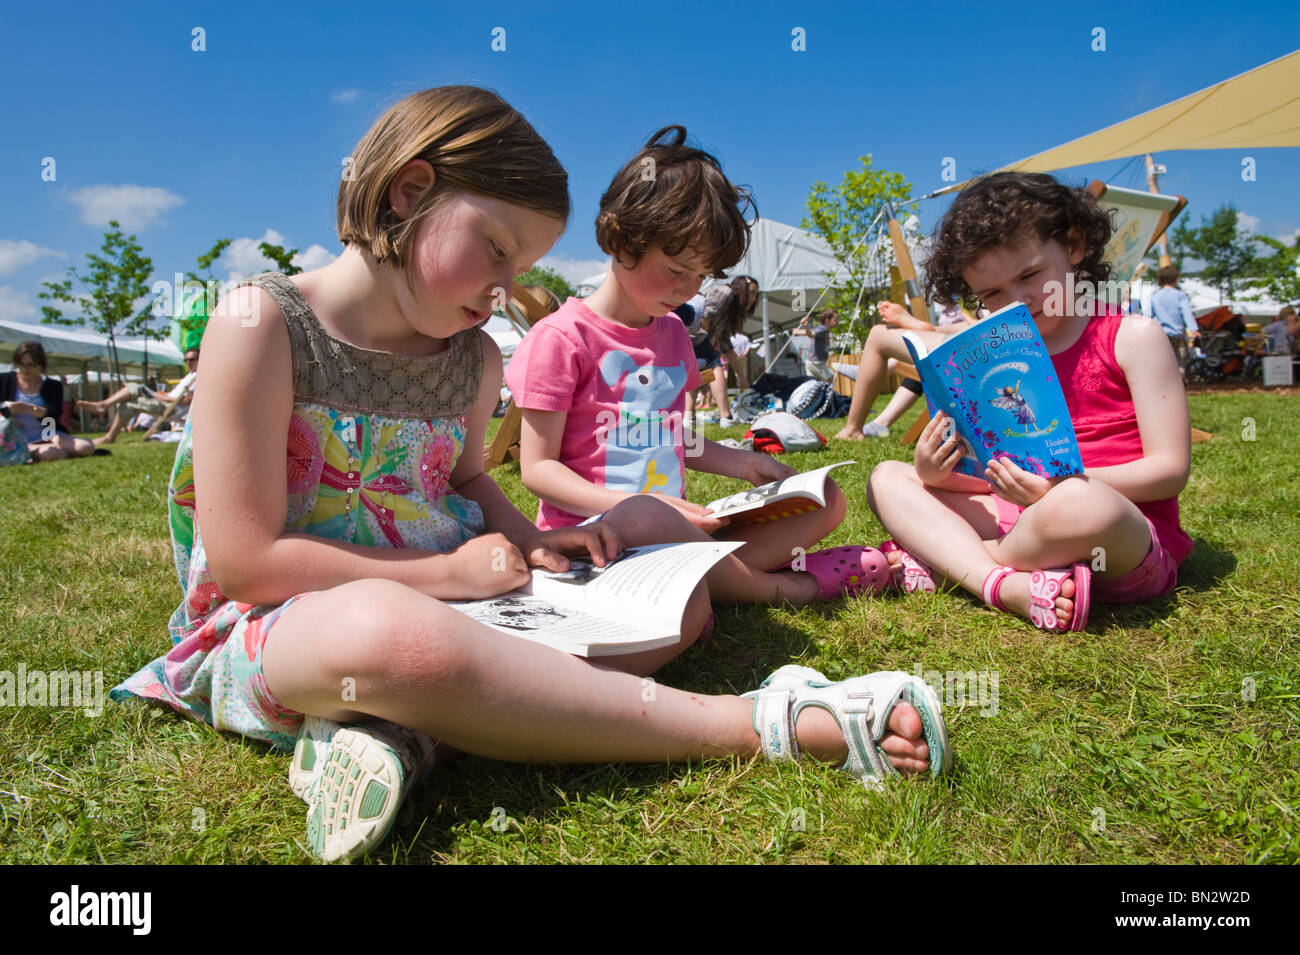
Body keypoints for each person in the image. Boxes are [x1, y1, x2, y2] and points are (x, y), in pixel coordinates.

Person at [108, 89, 949, 864]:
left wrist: (543, 543)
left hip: (472, 602)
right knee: (386, 635)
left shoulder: (471, 358)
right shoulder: (262, 323)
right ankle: (759, 721)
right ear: (409, 191)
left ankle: (404, 732)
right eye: (497, 249)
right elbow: (249, 561)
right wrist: (446, 573)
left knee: (676, 588)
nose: (505, 288)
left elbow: (470, 481)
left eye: (519, 267)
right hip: (288, 623)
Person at [507, 125, 899, 608]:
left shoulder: (673, 334)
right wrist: (644, 508)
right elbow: (538, 469)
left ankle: (714, 575)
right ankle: (784, 587)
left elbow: (672, 438)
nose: (689, 290)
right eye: (676, 270)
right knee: (647, 517)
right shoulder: (562, 339)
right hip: (598, 537)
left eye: (701, 276)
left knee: (828, 499)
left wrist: (743, 462)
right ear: (621, 239)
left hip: (675, 530)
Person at [866, 171, 1193, 631]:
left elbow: (1169, 471)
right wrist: (933, 472)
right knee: (887, 479)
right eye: (992, 294)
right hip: (1021, 515)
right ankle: (1003, 584)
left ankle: (955, 562)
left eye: (1030, 275)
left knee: (1081, 504)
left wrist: (1061, 486)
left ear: (1075, 246)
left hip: (1117, 532)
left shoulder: (1132, 336)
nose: (1017, 300)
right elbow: (991, 476)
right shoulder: (989, 356)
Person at [833, 299, 975, 439]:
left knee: (878, 335)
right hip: (974, 341)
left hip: (978, 350)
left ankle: (853, 429)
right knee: (916, 354)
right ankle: (874, 373)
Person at [80, 348, 200, 444]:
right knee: (129, 402)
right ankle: (109, 434)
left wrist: (157, 396)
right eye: (186, 360)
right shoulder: (189, 376)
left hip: (171, 408)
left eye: (192, 359)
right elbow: (174, 394)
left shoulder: (198, 378)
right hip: (165, 402)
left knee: (134, 386)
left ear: (200, 359)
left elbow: (185, 401)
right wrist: (160, 394)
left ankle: (104, 406)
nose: (188, 362)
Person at [681, 276, 758, 426]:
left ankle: (688, 417)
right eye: (752, 292)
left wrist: (741, 376)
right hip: (693, 331)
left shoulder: (729, 305)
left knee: (697, 368)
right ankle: (725, 416)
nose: (754, 298)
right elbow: (706, 312)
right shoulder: (725, 292)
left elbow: (725, 344)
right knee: (714, 365)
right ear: (741, 288)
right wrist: (703, 337)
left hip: (690, 334)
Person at [0, 341, 95, 462]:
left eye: (30, 365)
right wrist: (8, 410)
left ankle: (51, 449)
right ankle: (32, 450)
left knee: (85, 448)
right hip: (16, 438)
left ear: (40, 365)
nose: (24, 369)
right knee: (52, 453)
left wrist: (32, 410)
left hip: (48, 433)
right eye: (20, 364)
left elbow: (53, 417)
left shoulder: (53, 386)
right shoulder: (3, 380)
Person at [1149, 265, 1200, 377]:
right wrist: (1193, 329)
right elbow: (1186, 313)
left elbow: (1150, 315)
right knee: (1177, 358)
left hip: (1160, 333)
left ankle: (1162, 379)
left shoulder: (1155, 296)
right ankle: (1178, 380)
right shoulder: (1180, 296)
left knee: (1162, 358)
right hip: (1176, 333)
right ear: (1176, 279)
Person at [790, 308, 839, 380]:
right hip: (817, 363)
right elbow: (811, 334)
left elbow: (811, 332)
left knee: (813, 384)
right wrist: (806, 326)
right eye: (835, 320)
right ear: (827, 320)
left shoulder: (821, 328)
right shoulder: (823, 330)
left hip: (810, 362)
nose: (838, 322)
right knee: (830, 379)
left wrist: (797, 331)